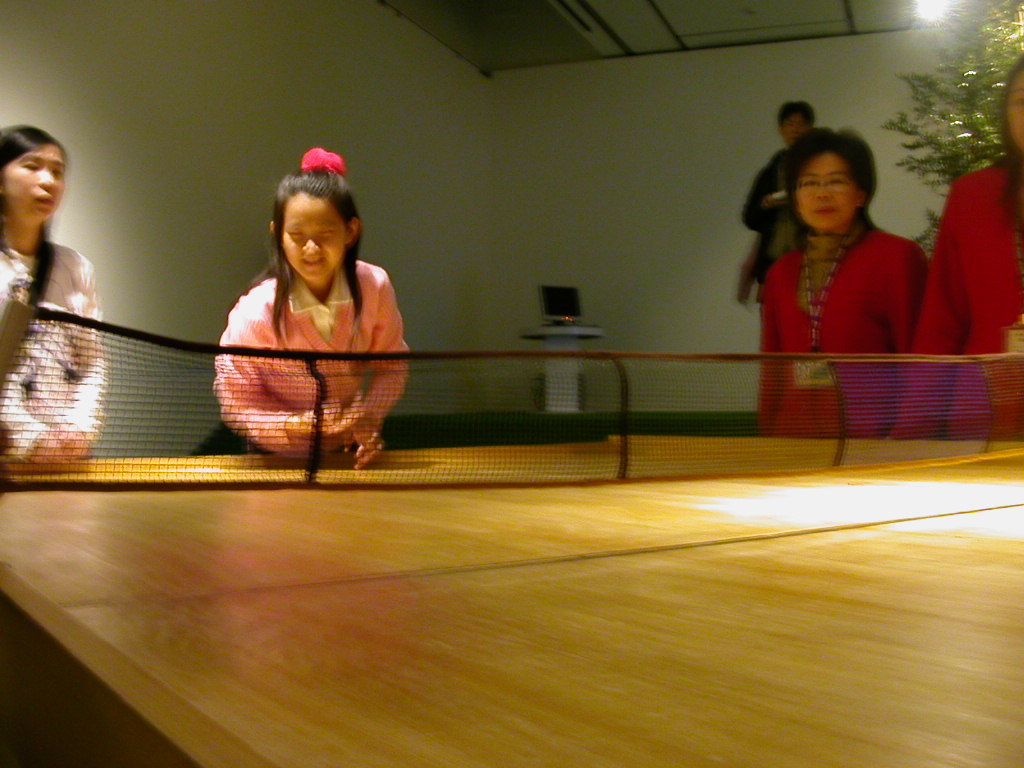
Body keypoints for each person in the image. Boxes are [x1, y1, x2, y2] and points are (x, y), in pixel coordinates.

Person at [215, 147, 407, 468]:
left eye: (325, 235)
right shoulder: (255, 312)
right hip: (274, 458)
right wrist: (294, 424)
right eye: (297, 235)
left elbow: (392, 366)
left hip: (346, 451)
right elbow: (235, 401)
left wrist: (368, 418)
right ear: (278, 235)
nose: (311, 249)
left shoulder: (374, 286)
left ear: (350, 232)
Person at [759, 128, 927, 437]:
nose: (822, 193)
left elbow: (919, 360)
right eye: (809, 183)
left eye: (836, 181)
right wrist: (769, 437)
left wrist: (907, 435)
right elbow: (773, 372)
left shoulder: (897, 258)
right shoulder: (781, 272)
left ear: (861, 194)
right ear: (796, 199)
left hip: (874, 439)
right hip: (794, 437)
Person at [905, 52, 1024, 439]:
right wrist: (915, 427)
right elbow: (942, 321)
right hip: (982, 411)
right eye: (1022, 101)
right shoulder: (973, 196)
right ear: (1006, 113)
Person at [0, 125, 104, 462]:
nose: (48, 181)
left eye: (57, 172)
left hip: (66, 457)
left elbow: (93, 363)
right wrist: (33, 439)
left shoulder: (76, 267)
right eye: (32, 166)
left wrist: (78, 429)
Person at [738, 101, 815, 303]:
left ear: (810, 129)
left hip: (812, 259)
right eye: (790, 124)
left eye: (801, 124)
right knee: (775, 317)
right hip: (774, 260)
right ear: (781, 129)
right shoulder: (772, 170)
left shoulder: (820, 167)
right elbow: (750, 218)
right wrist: (767, 204)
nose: (796, 129)